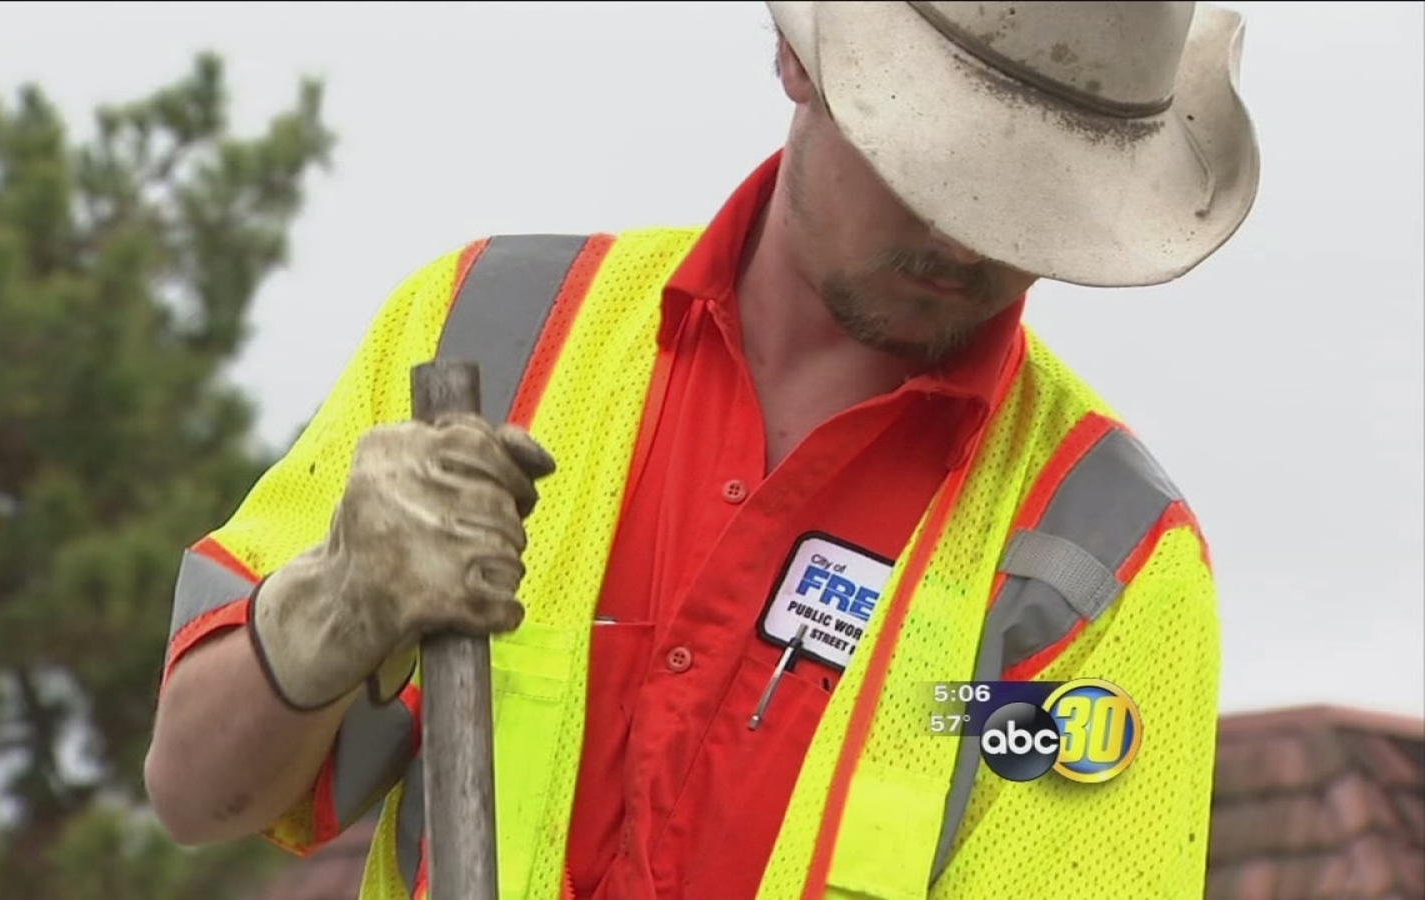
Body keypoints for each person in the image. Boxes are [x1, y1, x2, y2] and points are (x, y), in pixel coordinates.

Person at [143, 2, 1260, 898]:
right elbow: (199, 796)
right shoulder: (490, 329)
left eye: (1025, 205)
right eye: (929, 167)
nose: (961, 237)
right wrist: (334, 604)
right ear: (797, 58)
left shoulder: (1104, 559)